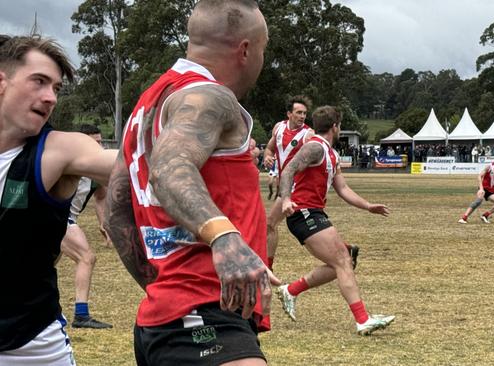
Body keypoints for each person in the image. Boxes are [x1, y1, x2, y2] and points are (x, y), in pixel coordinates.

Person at [104, 1, 280, 365]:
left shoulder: (147, 106)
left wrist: (162, 290)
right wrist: (224, 236)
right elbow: (169, 167)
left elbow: (115, 211)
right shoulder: (209, 96)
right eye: (264, 49)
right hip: (202, 313)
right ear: (246, 50)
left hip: (172, 317)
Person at [0, 34, 116, 365]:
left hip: (32, 349)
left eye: (56, 89)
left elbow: (129, 165)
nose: (50, 97)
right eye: (39, 82)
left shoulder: (60, 149)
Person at [276, 106, 395, 336]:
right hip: (303, 213)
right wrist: (286, 200)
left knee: (342, 261)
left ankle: (290, 290)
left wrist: (368, 206)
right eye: (339, 125)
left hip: (315, 212)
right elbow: (288, 170)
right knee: (342, 260)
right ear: (335, 126)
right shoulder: (314, 148)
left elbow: (343, 188)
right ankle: (362, 320)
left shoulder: (332, 154)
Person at [59, 124, 113, 329]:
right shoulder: (66, 164)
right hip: (57, 219)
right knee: (86, 257)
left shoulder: (95, 173)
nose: (99, 147)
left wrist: (103, 222)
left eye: (100, 142)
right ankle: (81, 315)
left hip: (67, 220)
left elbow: (101, 198)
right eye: (94, 142)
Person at [262, 95, 313, 271]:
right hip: (284, 187)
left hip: (296, 186)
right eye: (299, 112)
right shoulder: (279, 127)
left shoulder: (308, 134)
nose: (302, 116)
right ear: (289, 114)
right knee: (306, 229)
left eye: (305, 113)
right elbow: (269, 148)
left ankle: (267, 268)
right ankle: (343, 249)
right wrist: (268, 157)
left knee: (270, 223)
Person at [458, 151, 494, 224]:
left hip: (491, 192)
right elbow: (479, 176)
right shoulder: (490, 166)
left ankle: (485, 215)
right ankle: (464, 218)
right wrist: (481, 188)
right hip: (483, 188)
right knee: (479, 201)